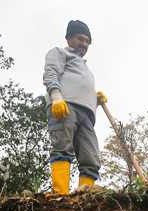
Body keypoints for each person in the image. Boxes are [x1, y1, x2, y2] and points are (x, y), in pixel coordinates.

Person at [43, 20, 107, 196]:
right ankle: (60, 193)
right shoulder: (60, 53)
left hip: (86, 115)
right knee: (62, 146)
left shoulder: (86, 68)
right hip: (64, 106)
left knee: (91, 158)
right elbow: (50, 73)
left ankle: (85, 197)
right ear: (69, 38)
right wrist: (56, 97)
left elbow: (78, 86)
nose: (84, 44)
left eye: (87, 41)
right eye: (81, 39)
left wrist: (95, 99)